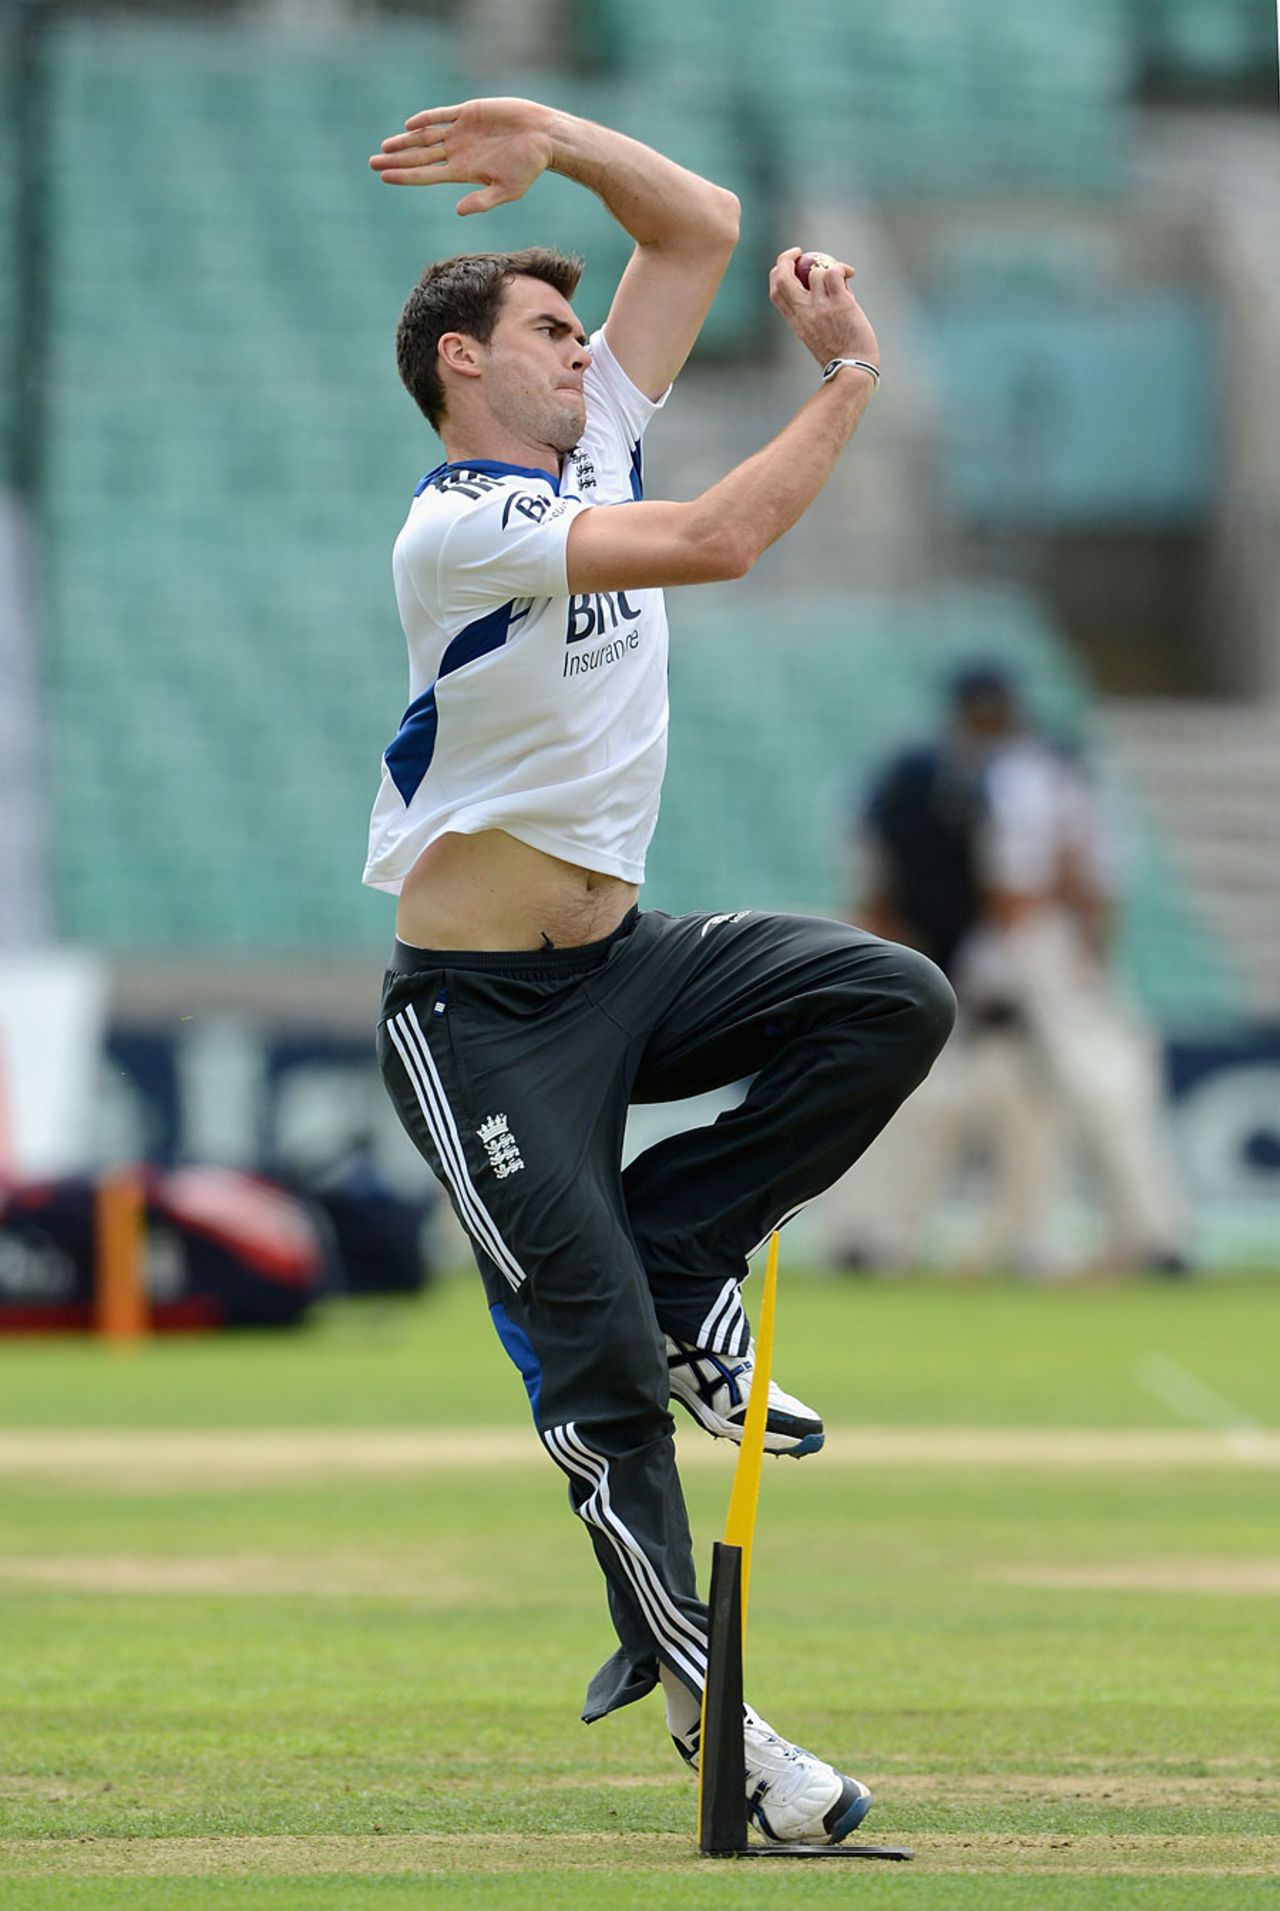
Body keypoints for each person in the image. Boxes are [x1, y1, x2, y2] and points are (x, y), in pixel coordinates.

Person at [363, 96, 955, 1845]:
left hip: (626, 958)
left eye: (578, 328)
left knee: (889, 999)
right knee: (602, 1376)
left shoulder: (599, 429)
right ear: (466, 364)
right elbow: (718, 543)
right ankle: (726, 1733)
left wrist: (549, 132)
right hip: (475, 1023)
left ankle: (685, 1246)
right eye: (550, 329)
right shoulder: (459, 523)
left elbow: (694, 222)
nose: (584, 348)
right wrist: (846, 383)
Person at [823, 665, 1184, 1275]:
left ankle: (889, 1239)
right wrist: (1053, 963)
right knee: (1072, 1091)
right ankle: (1124, 1239)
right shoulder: (1023, 770)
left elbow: (1033, 885)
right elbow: (1043, 887)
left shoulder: (958, 773)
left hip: (990, 951)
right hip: (1013, 950)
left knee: (999, 1096)